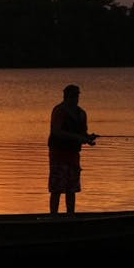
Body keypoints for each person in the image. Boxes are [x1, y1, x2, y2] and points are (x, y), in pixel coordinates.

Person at [48, 84, 98, 214]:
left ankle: (71, 215)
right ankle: (54, 216)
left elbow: (83, 134)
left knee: (72, 188)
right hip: (58, 154)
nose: (75, 98)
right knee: (56, 188)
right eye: (73, 96)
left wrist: (88, 138)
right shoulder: (59, 111)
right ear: (66, 96)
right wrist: (77, 137)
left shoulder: (81, 113)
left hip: (73, 155)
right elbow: (56, 132)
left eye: (77, 96)